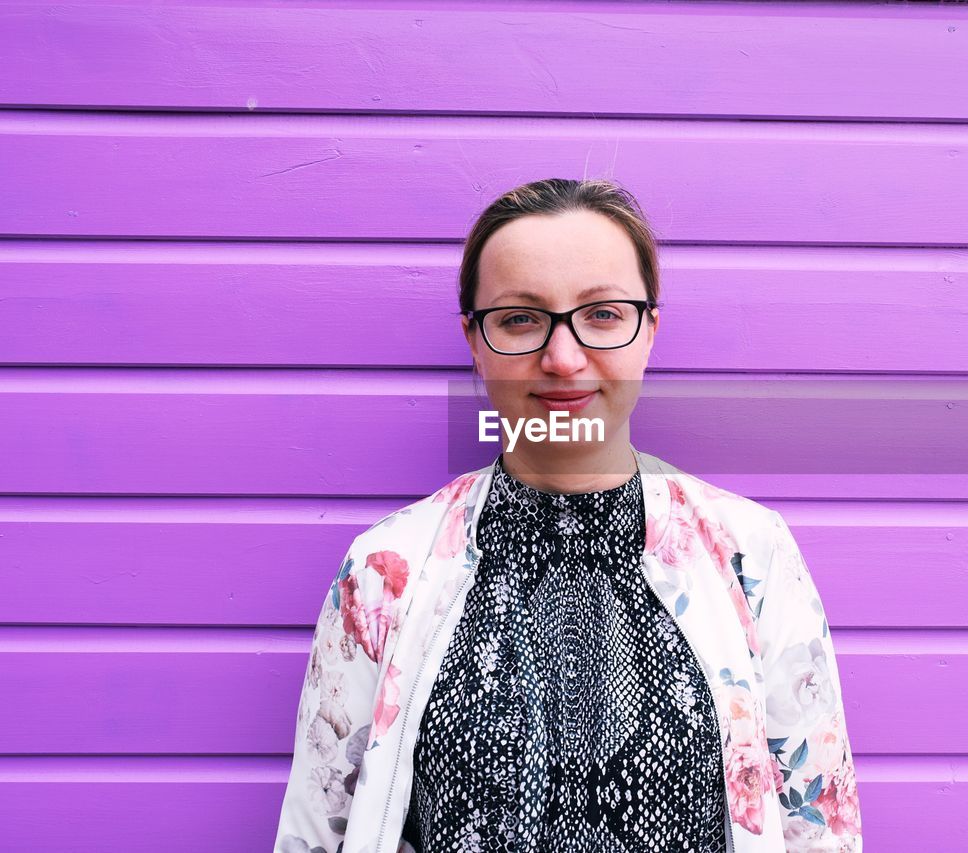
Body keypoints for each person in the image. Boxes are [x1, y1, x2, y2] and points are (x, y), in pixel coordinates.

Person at [274, 178, 864, 853]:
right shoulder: (386, 572)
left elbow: (822, 830)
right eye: (521, 318)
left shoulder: (751, 554)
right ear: (474, 338)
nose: (562, 358)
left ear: (649, 331)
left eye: (603, 314)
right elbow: (317, 834)